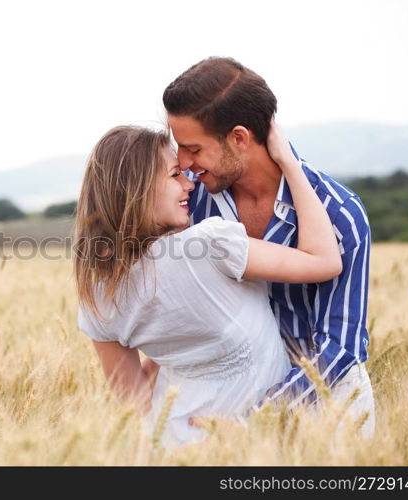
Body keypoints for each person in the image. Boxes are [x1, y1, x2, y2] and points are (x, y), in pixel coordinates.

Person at [74, 121, 342, 448]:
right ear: (137, 190)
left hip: (173, 448)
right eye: (175, 175)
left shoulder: (97, 293)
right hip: (256, 446)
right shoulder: (211, 244)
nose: (189, 184)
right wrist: (290, 163)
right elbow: (325, 260)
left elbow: (137, 404)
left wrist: (179, 352)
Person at [163, 57, 374, 435]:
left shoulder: (339, 216)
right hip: (220, 409)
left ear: (239, 138)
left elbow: (340, 349)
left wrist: (255, 419)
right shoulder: (194, 204)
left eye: (193, 148)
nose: (184, 163)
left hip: (327, 416)